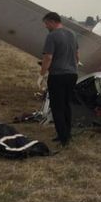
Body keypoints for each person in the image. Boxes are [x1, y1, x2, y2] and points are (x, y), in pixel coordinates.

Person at [38, 12, 79, 147]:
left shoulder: (52, 36)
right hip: (72, 75)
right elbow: (77, 55)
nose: (45, 26)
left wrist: (42, 74)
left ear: (52, 21)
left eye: (46, 23)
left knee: (57, 107)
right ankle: (67, 134)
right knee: (66, 105)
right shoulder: (72, 34)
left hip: (57, 75)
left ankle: (63, 139)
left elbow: (48, 57)